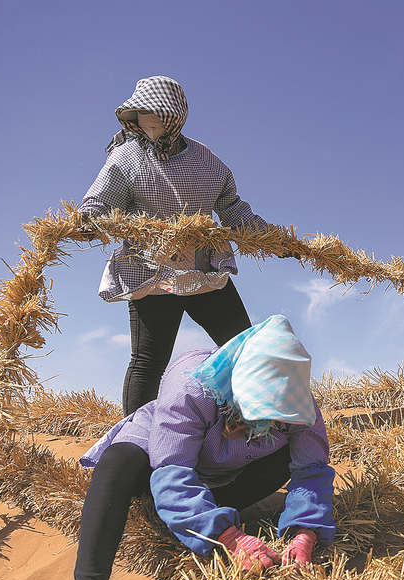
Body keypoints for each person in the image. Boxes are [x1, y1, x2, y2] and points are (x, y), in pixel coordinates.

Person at [63, 315, 336, 580]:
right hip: (158, 460)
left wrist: (305, 531)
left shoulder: (298, 402)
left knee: (291, 459)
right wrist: (228, 537)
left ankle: (199, 517)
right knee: (117, 462)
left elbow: (311, 470)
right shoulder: (191, 384)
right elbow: (172, 470)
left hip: (225, 475)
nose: (261, 423)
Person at [78, 75, 292, 415]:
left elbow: (233, 209)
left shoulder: (207, 161)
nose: (144, 127)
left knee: (240, 347)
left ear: (173, 116)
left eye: (151, 119)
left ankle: (267, 420)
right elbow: (99, 203)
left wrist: (274, 239)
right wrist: (89, 222)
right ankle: (135, 438)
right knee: (149, 362)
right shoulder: (126, 156)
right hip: (153, 275)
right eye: (138, 120)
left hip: (203, 272)